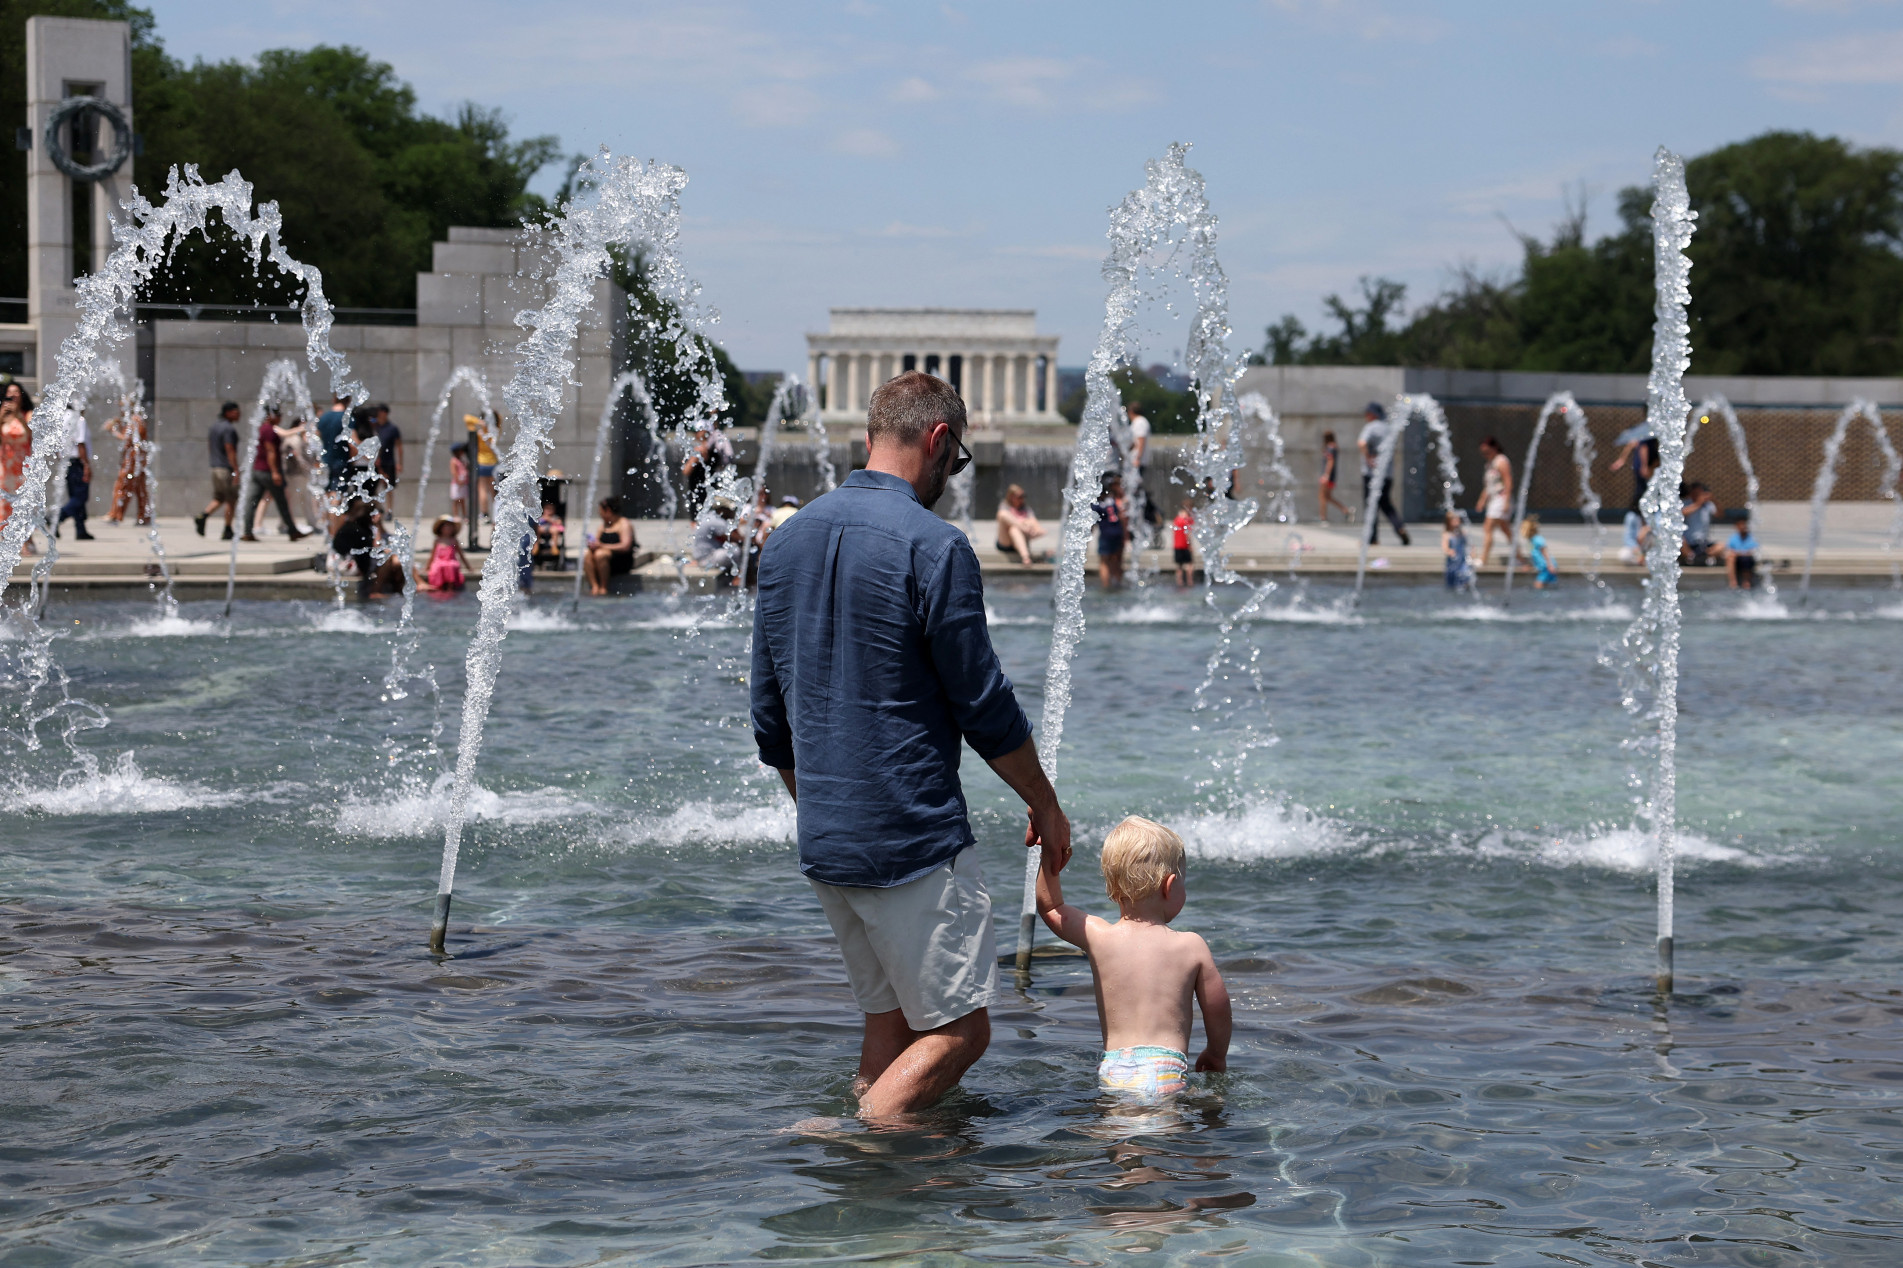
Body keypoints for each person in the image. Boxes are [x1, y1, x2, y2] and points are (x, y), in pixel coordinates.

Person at [751, 369, 1071, 1119]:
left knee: (890, 1026)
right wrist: (1045, 803)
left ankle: (871, 1220)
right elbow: (982, 704)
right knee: (960, 1031)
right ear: (936, 439)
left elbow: (769, 720)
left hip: (827, 841)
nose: (951, 479)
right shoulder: (936, 547)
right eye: (955, 463)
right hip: (910, 839)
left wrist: (825, 806)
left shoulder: (785, 544)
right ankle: (855, 1141)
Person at [1034, 815, 1231, 1101]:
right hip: (1165, 1068)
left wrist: (1049, 855)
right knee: (1164, 1140)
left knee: (1122, 1138)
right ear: (1170, 884)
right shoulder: (1191, 945)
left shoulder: (1099, 936)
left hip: (1115, 1068)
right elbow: (1218, 1007)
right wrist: (1216, 1053)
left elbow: (1051, 907)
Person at [241, 407, 308, 542]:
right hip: (268, 472)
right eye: (278, 415)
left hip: (257, 470)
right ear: (270, 416)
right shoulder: (270, 431)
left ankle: (247, 531)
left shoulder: (261, 428)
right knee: (282, 501)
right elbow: (271, 452)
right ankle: (292, 531)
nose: (280, 418)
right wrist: (275, 472)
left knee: (252, 501)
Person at [1356, 402, 1409, 546]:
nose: (1365, 416)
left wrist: (1368, 458)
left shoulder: (1371, 427)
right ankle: (1400, 528)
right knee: (1386, 504)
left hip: (1371, 475)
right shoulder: (1388, 428)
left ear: (1373, 414)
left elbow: (1361, 443)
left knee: (1371, 505)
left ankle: (1371, 538)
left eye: (1367, 413)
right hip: (1387, 475)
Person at [195, 401, 242, 539]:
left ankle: (202, 516)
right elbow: (230, 449)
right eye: (236, 412)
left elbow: (210, 446)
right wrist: (236, 470)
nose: (239, 415)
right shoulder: (228, 429)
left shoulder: (214, 427)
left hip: (215, 467)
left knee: (219, 497)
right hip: (226, 469)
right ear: (228, 412)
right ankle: (228, 528)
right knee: (231, 500)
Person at [1610, 432, 1658, 564]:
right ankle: (1642, 555)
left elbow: (1632, 445)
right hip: (1644, 473)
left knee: (1646, 496)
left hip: (1644, 474)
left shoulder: (1647, 437)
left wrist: (1622, 460)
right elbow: (1641, 447)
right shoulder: (1648, 440)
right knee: (1645, 495)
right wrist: (1643, 465)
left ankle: (1644, 555)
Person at [0, 381, 33, 547]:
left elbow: (32, 436)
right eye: (9, 392)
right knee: (4, 504)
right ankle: (5, 540)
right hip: (5, 467)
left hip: (22, 466)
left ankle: (26, 541)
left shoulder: (28, 414)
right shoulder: (2, 415)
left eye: (16, 392)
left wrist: (18, 416)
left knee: (23, 503)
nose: (13, 395)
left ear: (21, 395)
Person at [583, 495, 637, 596]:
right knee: (588, 555)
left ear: (607, 510)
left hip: (621, 560)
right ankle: (595, 586)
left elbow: (625, 546)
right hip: (603, 559)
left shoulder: (624, 524)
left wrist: (602, 546)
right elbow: (597, 542)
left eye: (600, 511)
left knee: (600, 554)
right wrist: (593, 545)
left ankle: (604, 588)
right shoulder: (603, 525)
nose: (600, 514)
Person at [55, 401, 93, 540]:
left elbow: (57, 447)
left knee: (74, 496)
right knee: (81, 497)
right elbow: (80, 443)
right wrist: (86, 466)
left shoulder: (62, 418)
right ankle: (57, 517)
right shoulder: (78, 419)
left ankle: (80, 529)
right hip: (78, 462)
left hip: (66, 462)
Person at [105, 407, 149, 525]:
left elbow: (128, 439)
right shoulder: (135, 420)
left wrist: (113, 431)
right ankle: (143, 516)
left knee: (123, 486)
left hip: (133, 461)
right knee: (139, 489)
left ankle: (116, 515)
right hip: (137, 460)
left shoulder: (135, 420)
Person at [1475, 436, 1512, 567]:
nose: (1485, 455)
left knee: (1488, 527)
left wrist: (1507, 501)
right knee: (1505, 529)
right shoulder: (1490, 463)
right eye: (1483, 453)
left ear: (1494, 448)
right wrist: (1482, 500)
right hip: (1494, 499)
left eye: (1487, 451)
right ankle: (1520, 558)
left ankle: (1483, 559)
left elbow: (1508, 482)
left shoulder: (1501, 461)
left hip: (1501, 499)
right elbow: (1488, 486)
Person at [995, 484, 1047, 565]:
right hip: (1006, 541)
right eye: (1019, 496)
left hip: (1020, 540)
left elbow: (1040, 530)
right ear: (1011, 496)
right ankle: (1026, 556)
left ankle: (1025, 558)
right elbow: (1001, 516)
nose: (1022, 499)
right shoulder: (1005, 506)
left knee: (1014, 529)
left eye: (1023, 496)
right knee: (1003, 515)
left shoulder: (1026, 509)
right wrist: (1023, 525)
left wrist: (1031, 529)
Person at [1095, 473, 1128, 589]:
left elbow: (1091, 523)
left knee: (1104, 561)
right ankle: (1118, 583)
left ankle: (1106, 586)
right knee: (1116, 559)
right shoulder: (1112, 501)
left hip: (1106, 534)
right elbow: (1121, 516)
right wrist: (1125, 535)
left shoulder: (1096, 504)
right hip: (1117, 532)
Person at [316, 394, 352, 497]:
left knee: (326, 493)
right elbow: (352, 443)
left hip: (325, 460)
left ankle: (326, 513)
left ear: (333, 400)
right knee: (337, 493)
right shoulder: (346, 418)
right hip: (341, 461)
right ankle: (333, 513)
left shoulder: (323, 418)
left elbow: (316, 438)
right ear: (348, 402)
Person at [421, 515, 467, 592]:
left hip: (451, 561)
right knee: (438, 567)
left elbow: (461, 555)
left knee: (451, 566)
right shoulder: (438, 540)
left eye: (450, 527)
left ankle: (450, 588)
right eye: (446, 527)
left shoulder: (454, 541)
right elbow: (432, 556)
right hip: (439, 561)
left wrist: (468, 567)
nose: (448, 529)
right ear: (441, 528)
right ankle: (438, 588)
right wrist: (427, 567)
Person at [1318, 430, 1351, 522]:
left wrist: (1326, 475)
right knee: (1327, 497)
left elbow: (1330, 461)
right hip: (1331, 476)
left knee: (1322, 496)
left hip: (1328, 476)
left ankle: (1323, 517)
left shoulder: (1330, 447)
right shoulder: (1334, 447)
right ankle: (1345, 509)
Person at [1681, 482, 1717, 566]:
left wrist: (1713, 499)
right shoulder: (1686, 503)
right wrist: (1698, 504)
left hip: (1703, 542)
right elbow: (1682, 513)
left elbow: (1720, 514)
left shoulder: (1708, 505)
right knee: (1679, 542)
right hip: (1689, 541)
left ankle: (1703, 557)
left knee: (1721, 547)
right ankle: (1692, 557)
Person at [1722, 516, 1759, 590]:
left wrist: (1740, 553)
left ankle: (1746, 582)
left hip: (1748, 560)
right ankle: (1733, 582)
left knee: (1746, 559)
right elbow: (1728, 551)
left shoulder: (1751, 538)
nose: (1742, 526)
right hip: (1737, 561)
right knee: (1730, 557)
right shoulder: (1733, 538)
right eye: (1740, 525)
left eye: (1744, 524)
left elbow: (1755, 551)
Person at [373, 404, 402, 497]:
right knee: (374, 486)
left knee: (388, 486)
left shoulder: (392, 428)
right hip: (375, 462)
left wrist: (399, 463)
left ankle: (389, 510)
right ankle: (376, 508)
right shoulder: (374, 427)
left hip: (388, 461)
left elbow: (399, 446)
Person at [1521, 514, 1557, 588]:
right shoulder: (1530, 541)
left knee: (1538, 585)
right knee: (1546, 586)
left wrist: (1550, 565)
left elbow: (1544, 552)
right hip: (1543, 567)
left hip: (1547, 567)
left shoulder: (1537, 539)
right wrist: (1529, 565)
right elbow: (1532, 554)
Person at [1441, 511, 1471, 590]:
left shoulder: (1462, 533)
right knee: (1451, 579)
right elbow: (1445, 547)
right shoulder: (1447, 534)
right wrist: (1449, 551)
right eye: (1454, 520)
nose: (1457, 522)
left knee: (1465, 574)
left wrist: (1472, 553)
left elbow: (1468, 545)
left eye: (1458, 520)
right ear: (1449, 522)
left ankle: (1465, 587)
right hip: (1452, 562)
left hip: (1462, 560)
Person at [1172, 497, 1196, 587]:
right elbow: (1188, 534)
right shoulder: (1187, 519)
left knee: (1179, 565)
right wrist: (1190, 545)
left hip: (1177, 545)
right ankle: (1190, 582)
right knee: (1190, 564)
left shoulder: (1177, 518)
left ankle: (1180, 582)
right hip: (1185, 545)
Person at [449, 443, 471, 524]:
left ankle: (465, 516)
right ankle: (456, 516)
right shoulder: (453, 461)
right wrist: (458, 481)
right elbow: (454, 472)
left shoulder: (462, 460)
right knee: (455, 500)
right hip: (457, 483)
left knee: (462, 500)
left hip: (463, 482)